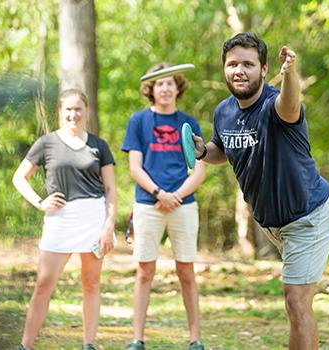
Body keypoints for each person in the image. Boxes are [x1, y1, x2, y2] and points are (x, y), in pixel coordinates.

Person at [189, 32, 329, 350]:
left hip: (305, 215)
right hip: (282, 219)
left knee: (296, 301)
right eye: (232, 64)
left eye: (248, 63)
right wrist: (204, 150)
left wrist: (291, 74)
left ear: (264, 68)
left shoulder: (276, 106)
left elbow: (290, 102)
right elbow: (224, 148)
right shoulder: (223, 111)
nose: (239, 70)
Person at [13, 89, 117, 350]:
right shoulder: (46, 143)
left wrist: (108, 226)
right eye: (68, 109)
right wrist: (40, 202)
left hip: (94, 219)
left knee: (91, 283)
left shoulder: (99, 145)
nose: (74, 114)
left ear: (87, 111)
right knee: (44, 283)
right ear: (60, 112)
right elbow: (19, 178)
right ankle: (25, 346)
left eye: (78, 109)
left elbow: (111, 189)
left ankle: (89, 344)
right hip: (59, 219)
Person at [121, 62, 207, 350]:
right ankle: (137, 339)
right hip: (148, 204)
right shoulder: (138, 121)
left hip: (183, 205)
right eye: (160, 84)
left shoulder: (189, 123)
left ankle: (195, 339)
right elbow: (135, 167)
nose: (166, 88)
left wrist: (176, 196)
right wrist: (159, 193)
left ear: (178, 87)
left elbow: (199, 170)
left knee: (186, 272)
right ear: (151, 89)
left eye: (170, 82)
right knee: (145, 272)